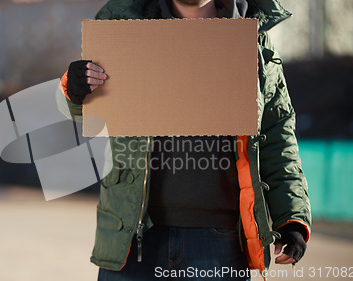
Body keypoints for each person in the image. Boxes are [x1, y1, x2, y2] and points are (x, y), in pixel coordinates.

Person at [59, 0, 311, 280]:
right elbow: (89, 116)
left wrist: (292, 219)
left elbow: (277, 137)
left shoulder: (254, 43)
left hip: (221, 245)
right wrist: (74, 89)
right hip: (132, 239)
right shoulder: (122, 27)